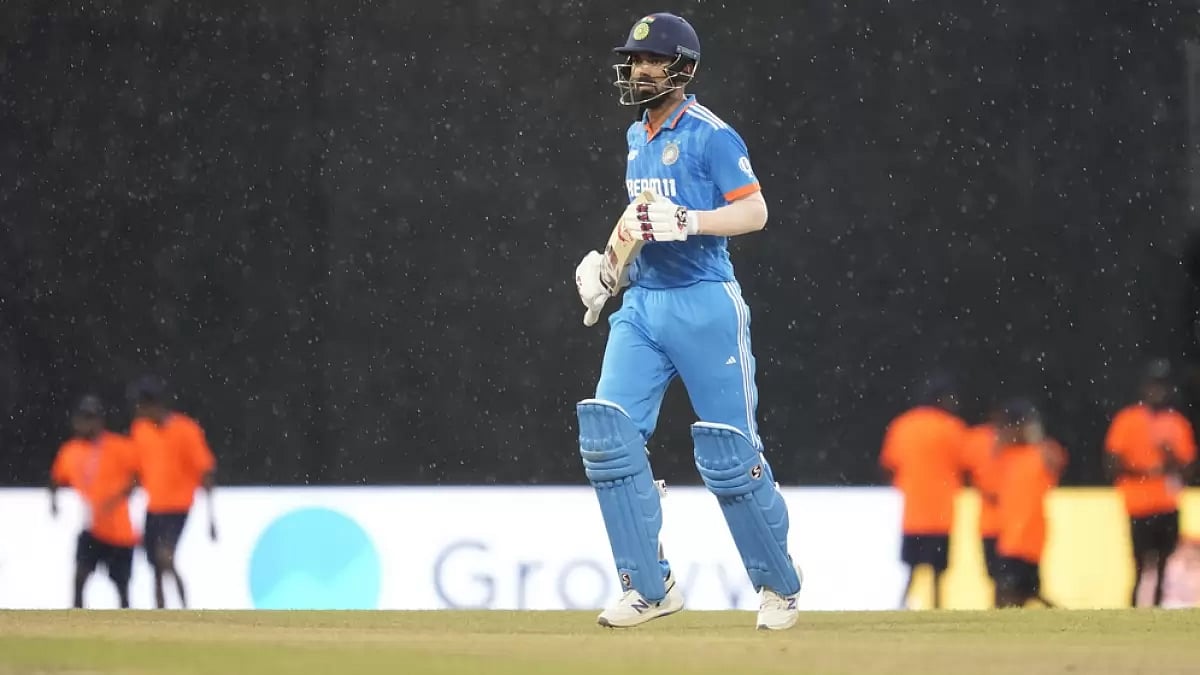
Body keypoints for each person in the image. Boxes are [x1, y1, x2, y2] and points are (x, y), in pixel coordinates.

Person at [572, 12, 803, 631]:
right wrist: (606, 269)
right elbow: (640, 218)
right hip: (643, 304)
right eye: (635, 60)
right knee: (606, 436)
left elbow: (754, 212)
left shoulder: (710, 135)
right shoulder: (635, 137)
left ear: (684, 70)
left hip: (705, 301)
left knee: (730, 454)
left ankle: (778, 587)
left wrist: (692, 222)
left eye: (653, 61)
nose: (640, 69)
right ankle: (649, 587)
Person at [1105, 359, 1197, 607]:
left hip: (1166, 504)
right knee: (1138, 565)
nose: (1157, 391)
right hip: (1139, 505)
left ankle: (1156, 613)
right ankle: (1135, 614)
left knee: (1163, 565)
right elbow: (1112, 464)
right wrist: (1144, 471)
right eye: (1153, 385)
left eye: (1162, 386)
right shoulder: (1128, 419)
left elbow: (1189, 470)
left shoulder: (1177, 423)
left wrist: (1170, 457)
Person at [127, 375, 217, 609]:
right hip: (154, 506)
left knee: (165, 557)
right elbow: (137, 467)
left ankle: (185, 606)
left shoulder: (185, 429)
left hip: (178, 506)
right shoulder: (140, 430)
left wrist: (211, 516)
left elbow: (205, 468)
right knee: (155, 566)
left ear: (151, 405)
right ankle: (161, 611)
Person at [878, 374, 968, 609]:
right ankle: (937, 609)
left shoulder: (904, 425)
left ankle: (901, 606)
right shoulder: (952, 428)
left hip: (914, 513)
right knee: (938, 571)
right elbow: (968, 463)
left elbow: (889, 463)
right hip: (941, 513)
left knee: (912, 568)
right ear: (941, 400)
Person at [49, 395, 140, 608]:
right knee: (80, 576)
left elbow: (137, 476)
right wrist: (53, 502)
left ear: (100, 421)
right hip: (92, 528)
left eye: (91, 418)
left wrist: (117, 497)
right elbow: (56, 477)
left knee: (121, 586)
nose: (87, 424)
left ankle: (128, 628)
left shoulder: (118, 446)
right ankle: (77, 623)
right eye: (83, 419)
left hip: (120, 532)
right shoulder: (71, 451)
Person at [993, 398, 1066, 609]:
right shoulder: (1007, 455)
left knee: (1019, 593)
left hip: (1029, 538)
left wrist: (1035, 436)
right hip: (1009, 538)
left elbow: (1055, 463)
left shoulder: (1040, 453)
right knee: (1017, 593)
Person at [962, 404, 1004, 598]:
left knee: (1008, 580)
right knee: (1002, 578)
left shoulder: (977, 438)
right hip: (1004, 525)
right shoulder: (980, 439)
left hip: (1009, 526)